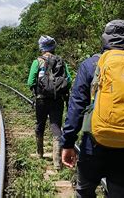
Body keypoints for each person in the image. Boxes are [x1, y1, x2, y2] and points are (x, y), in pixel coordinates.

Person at [60, 20, 124, 197]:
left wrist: (67, 143)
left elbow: (76, 107)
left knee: (84, 192)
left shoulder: (91, 65)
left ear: (105, 38)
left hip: (93, 145)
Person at [27, 35, 72, 170]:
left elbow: (30, 81)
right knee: (56, 127)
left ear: (42, 48)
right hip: (57, 100)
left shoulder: (38, 62)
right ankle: (57, 162)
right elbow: (68, 80)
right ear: (53, 47)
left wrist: (37, 90)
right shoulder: (61, 61)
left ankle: (39, 153)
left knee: (40, 124)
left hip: (41, 99)